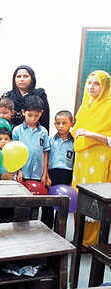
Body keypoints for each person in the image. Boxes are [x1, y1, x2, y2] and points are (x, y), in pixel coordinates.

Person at [71, 70, 111, 247]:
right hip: (82, 159)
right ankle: (79, 238)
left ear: (105, 87)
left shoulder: (109, 105)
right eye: (89, 83)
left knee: (96, 199)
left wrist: (91, 134)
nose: (91, 87)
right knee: (81, 195)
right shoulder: (86, 105)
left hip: (100, 158)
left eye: (96, 84)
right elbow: (78, 128)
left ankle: (92, 243)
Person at [42, 110, 74, 229]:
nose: (60, 126)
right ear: (54, 124)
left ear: (72, 123)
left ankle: (58, 231)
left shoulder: (75, 142)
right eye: (57, 123)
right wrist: (46, 176)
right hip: (51, 174)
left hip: (66, 175)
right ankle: (45, 229)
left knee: (62, 205)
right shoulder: (50, 140)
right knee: (48, 204)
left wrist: (72, 180)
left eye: (64, 123)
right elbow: (45, 158)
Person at [12, 95, 50, 186]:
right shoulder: (17, 130)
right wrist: (18, 170)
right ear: (23, 112)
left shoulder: (43, 132)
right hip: (22, 173)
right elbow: (14, 153)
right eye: (30, 115)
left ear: (41, 113)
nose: (33, 119)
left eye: (36, 115)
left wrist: (45, 174)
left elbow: (45, 153)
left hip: (38, 174)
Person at [0, 65, 50, 131]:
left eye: (26, 76)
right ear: (14, 79)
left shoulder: (40, 95)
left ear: (32, 79)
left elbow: (45, 121)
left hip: (33, 134)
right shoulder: (6, 97)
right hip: (8, 137)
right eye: (18, 77)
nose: (22, 79)